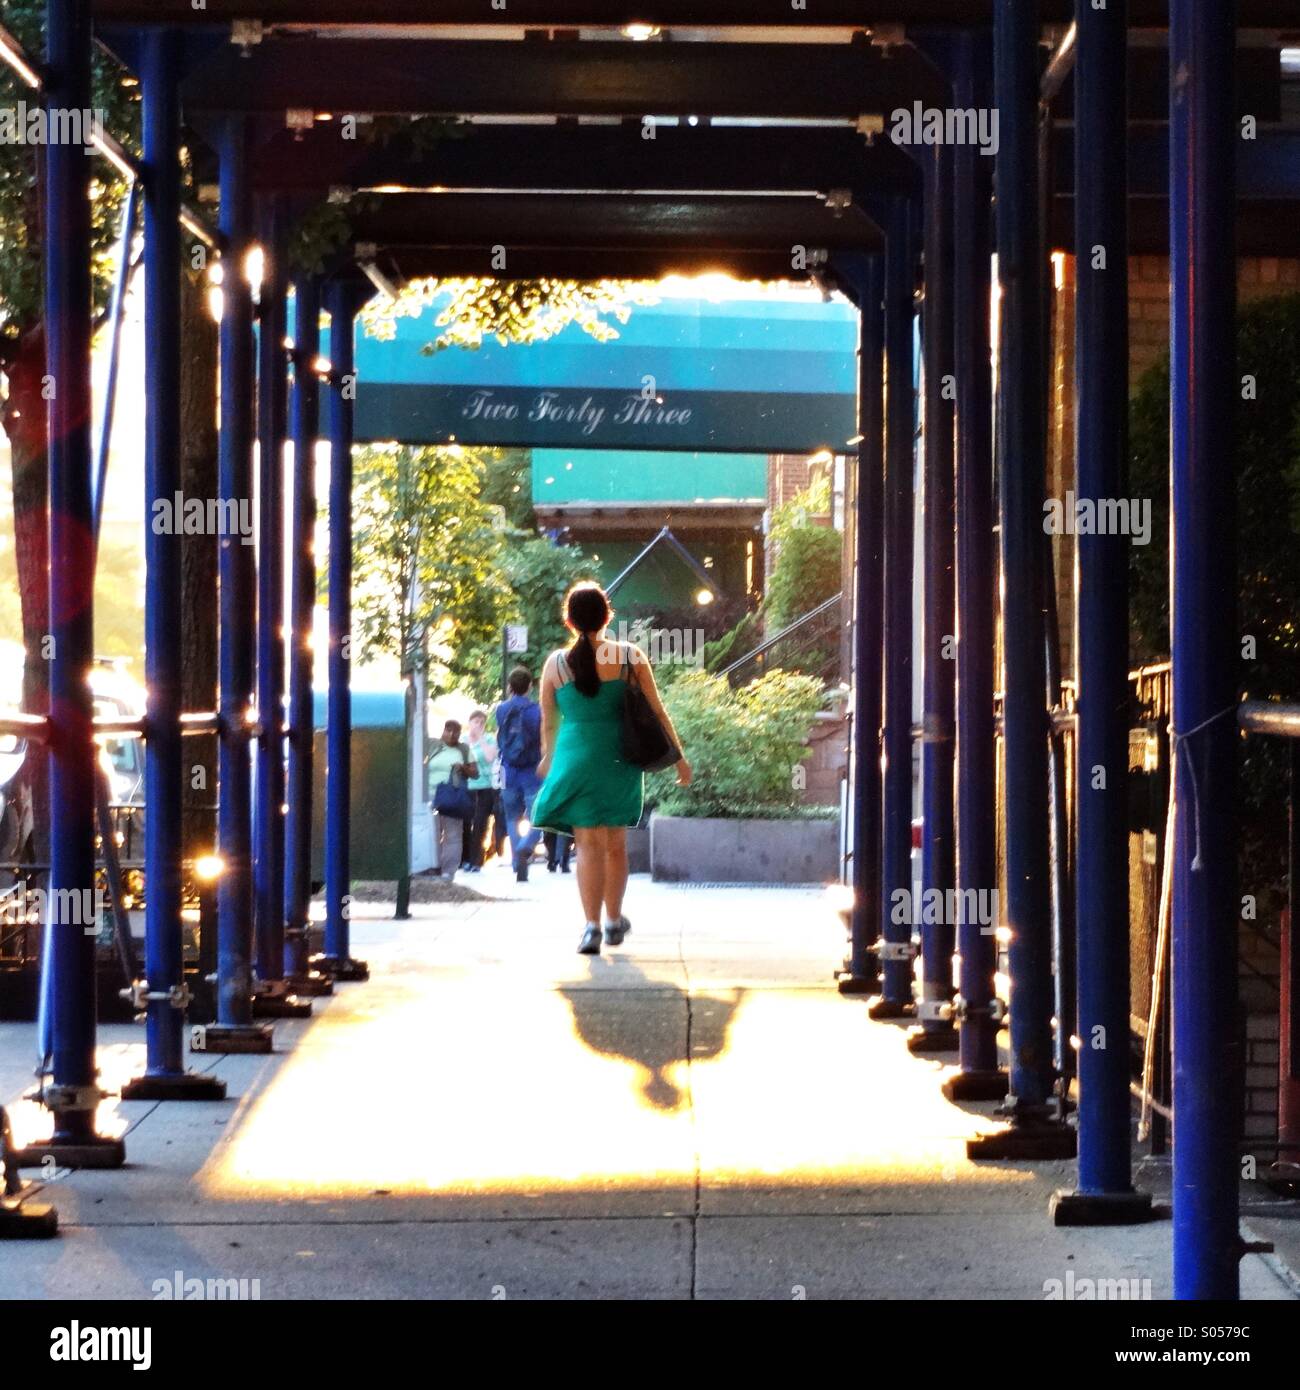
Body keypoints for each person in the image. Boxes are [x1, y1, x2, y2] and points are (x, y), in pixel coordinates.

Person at [531, 582, 691, 955]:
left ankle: (591, 929)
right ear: (607, 617)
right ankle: (614, 921)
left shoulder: (555, 664)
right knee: (615, 845)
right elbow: (656, 711)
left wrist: (548, 758)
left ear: (568, 621)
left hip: (575, 760)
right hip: (619, 759)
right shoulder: (629, 657)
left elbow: (549, 723)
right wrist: (679, 758)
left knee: (587, 845)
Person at [495, 665, 544, 883]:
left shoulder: (501, 710)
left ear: (509, 687)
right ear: (530, 686)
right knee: (540, 817)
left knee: (511, 818)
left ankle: (517, 862)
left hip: (509, 770)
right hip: (532, 771)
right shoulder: (537, 711)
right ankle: (527, 846)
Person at [426, 718, 476, 883]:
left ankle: (449, 871)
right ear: (443, 730)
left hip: (453, 797)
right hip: (431, 796)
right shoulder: (433, 746)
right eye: (449, 730)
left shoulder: (463, 749)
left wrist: (463, 768)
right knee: (432, 833)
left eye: (456, 732)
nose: (452, 734)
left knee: (453, 834)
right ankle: (433, 867)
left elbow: (475, 773)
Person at [461, 709, 497, 873]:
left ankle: (477, 860)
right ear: (469, 723)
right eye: (476, 722)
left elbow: (490, 757)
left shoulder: (489, 739)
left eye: (482, 723)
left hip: (485, 787)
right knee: (466, 824)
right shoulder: (463, 740)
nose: (478, 725)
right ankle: (465, 859)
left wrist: (481, 738)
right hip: (467, 787)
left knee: (480, 824)